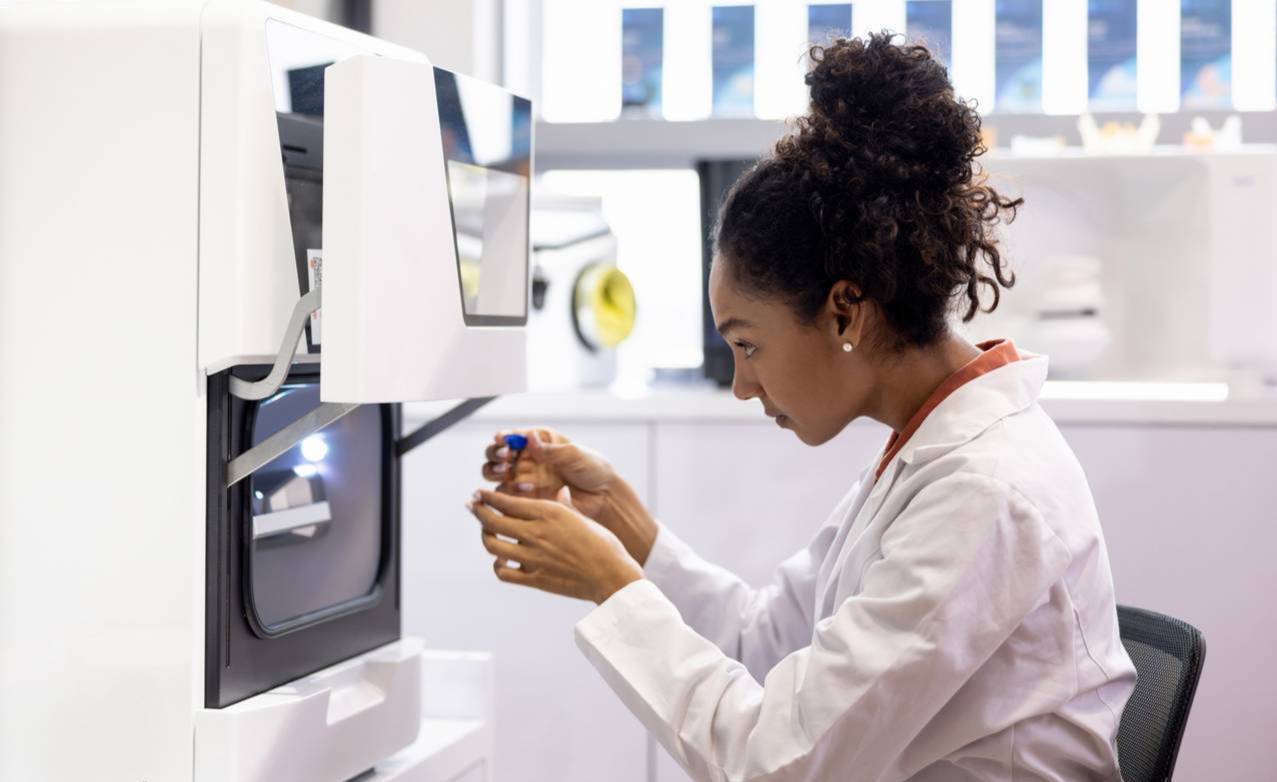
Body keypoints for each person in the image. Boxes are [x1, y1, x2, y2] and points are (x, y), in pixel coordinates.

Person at [465, 33, 1136, 781]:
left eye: (747, 345)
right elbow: (764, 642)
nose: (742, 385)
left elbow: (775, 762)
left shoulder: (985, 491)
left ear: (846, 310)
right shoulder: (925, 450)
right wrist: (623, 526)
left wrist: (610, 584)